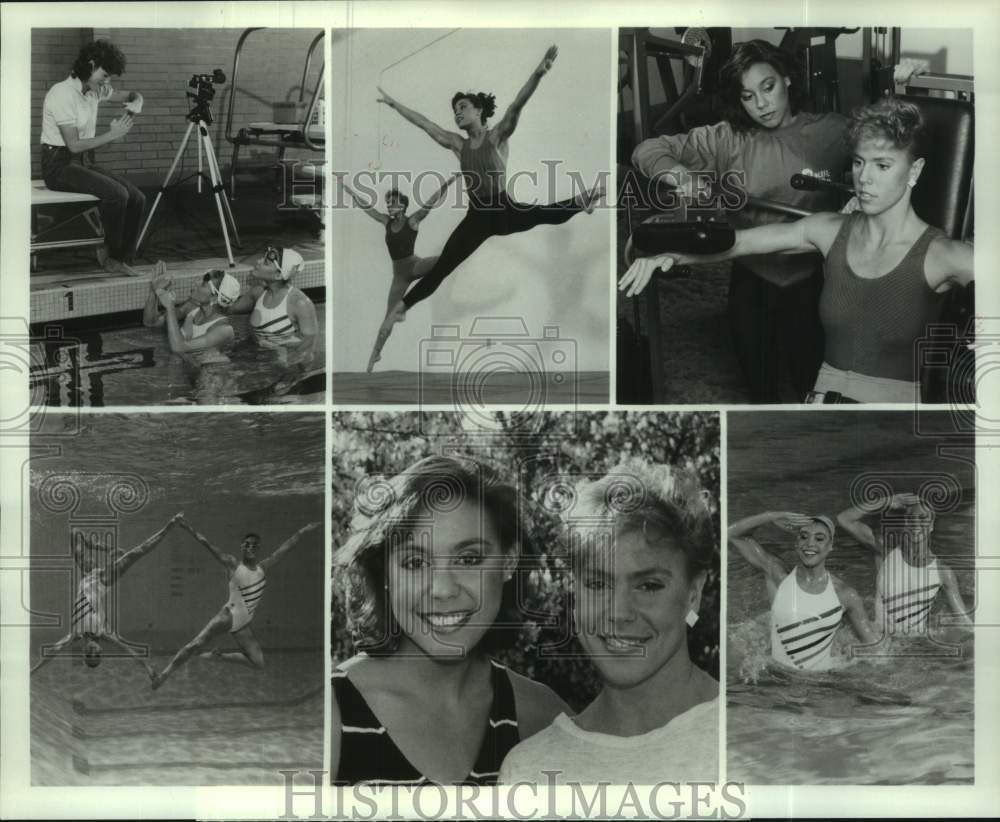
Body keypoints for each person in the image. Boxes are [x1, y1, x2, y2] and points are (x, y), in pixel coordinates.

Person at [621, 97, 975, 403]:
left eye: (882, 166)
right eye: (858, 162)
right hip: (819, 409)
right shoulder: (828, 230)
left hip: (888, 428)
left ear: (914, 171)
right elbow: (738, 243)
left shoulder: (942, 255)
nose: (863, 179)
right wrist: (671, 254)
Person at [631, 39, 850, 403]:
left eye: (768, 87)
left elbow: (892, 143)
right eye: (748, 96)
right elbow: (647, 150)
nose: (762, 104)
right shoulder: (728, 138)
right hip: (752, 274)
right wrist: (682, 177)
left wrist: (904, 85)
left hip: (810, 278)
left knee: (812, 387)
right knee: (759, 391)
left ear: (788, 80)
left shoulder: (831, 131)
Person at [331, 455, 569, 785]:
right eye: (415, 563)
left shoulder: (543, 718)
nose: (442, 590)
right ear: (383, 570)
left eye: (469, 559)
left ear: (509, 561)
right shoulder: (329, 713)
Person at [371, 45, 603, 357]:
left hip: (504, 210)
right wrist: (394, 104)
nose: (457, 112)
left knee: (545, 213)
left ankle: (582, 202)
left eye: (462, 106)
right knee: (443, 266)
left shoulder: (497, 137)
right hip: (477, 218)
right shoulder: (457, 144)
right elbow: (425, 123)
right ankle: (402, 307)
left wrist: (538, 72)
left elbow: (517, 105)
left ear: (478, 110)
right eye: (454, 109)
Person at [499, 462, 718, 785]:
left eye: (649, 585)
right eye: (597, 584)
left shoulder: (756, 734)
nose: (618, 612)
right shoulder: (530, 771)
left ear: (693, 594)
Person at [151, 518, 320, 690]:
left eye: (254, 545)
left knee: (258, 663)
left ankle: (219, 656)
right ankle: (163, 676)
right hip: (227, 616)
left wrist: (304, 530)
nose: (250, 547)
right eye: (247, 544)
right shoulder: (233, 564)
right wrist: (188, 528)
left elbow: (286, 548)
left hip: (243, 624)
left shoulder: (263, 567)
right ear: (242, 547)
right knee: (196, 644)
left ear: (258, 548)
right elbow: (207, 544)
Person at [40, 39, 146, 276]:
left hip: (81, 162)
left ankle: (122, 258)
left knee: (137, 197)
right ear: (90, 65)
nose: (106, 82)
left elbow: (129, 94)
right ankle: (108, 252)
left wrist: (137, 101)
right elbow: (74, 145)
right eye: (105, 75)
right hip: (58, 166)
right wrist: (112, 134)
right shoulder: (62, 94)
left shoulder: (95, 91)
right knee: (118, 195)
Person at [31, 514, 183, 676]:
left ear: (83, 652)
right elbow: (130, 652)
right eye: (97, 654)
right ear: (101, 651)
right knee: (137, 553)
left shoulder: (74, 635)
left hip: (88, 575)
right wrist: (148, 669)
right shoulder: (104, 634)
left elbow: (52, 653)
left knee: (75, 533)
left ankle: (101, 547)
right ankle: (169, 527)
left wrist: (31, 672)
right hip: (103, 581)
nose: (93, 651)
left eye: (89, 655)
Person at [727, 511, 878, 671]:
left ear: (830, 546)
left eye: (819, 539)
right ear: (796, 543)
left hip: (821, 685)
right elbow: (733, 534)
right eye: (804, 537)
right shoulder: (780, 577)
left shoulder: (845, 595)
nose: (810, 544)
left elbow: (874, 649)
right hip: (777, 681)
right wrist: (772, 516)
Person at [340, 174, 461, 372]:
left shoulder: (413, 220)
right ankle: (373, 358)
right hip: (399, 276)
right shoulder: (386, 221)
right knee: (388, 318)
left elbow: (431, 201)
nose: (389, 206)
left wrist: (449, 182)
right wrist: (346, 188)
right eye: (388, 203)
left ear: (403, 206)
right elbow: (365, 206)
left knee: (446, 257)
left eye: (393, 203)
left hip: (415, 265)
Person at [836, 492, 972, 633]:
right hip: (880, 638)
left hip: (915, 644)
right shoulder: (885, 552)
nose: (916, 523)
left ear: (931, 525)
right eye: (910, 518)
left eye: (922, 518)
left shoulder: (942, 572)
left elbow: (963, 620)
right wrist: (887, 501)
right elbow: (844, 519)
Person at [225, 247, 319, 368]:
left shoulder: (300, 303)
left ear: (278, 275)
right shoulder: (258, 293)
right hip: (258, 357)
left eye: (265, 263)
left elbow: (308, 347)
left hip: (285, 363)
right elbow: (229, 310)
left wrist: (287, 370)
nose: (258, 261)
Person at [144, 260, 239, 364]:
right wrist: (154, 290)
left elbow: (179, 347)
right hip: (184, 371)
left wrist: (170, 307)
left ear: (214, 298)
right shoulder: (192, 307)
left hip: (209, 376)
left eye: (203, 284)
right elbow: (151, 322)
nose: (196, 283)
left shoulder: (223, 330)